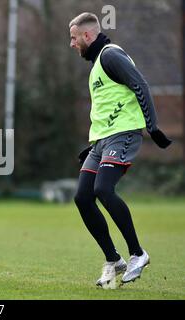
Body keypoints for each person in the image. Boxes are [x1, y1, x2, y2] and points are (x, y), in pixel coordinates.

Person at [69, 13, 172, 287]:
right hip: (102, 141)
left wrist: (152, 127)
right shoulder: (96, 66)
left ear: (87, 36)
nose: (72, 43)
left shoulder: (111, 56)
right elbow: (109, 108)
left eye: (74, 37)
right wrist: (92, 146)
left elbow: (140, 84)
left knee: (103, 189)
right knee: (82, 196)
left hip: (123, 135)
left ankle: (138, 254)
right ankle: (114, 260)